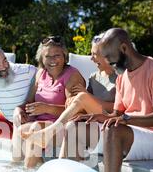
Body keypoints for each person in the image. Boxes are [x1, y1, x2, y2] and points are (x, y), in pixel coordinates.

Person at [63, 28, 153, 172]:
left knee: (113, 130)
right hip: (125, 132)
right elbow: (116, 114)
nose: (109, 64)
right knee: (74, 128)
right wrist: (96, 117)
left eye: (111, 59)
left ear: (124, 49)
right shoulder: (122, 77)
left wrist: (126, 119)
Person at [22, 34, 117, 162]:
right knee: (69, 124)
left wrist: (85, 97)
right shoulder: (94, 77)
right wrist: (76, 101)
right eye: (92, 54)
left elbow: (119, 109)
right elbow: (83, 108)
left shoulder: (121, 77)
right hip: (92, 121)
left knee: (81, 99)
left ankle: (48, 134)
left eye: (95, 54)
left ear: (108, 54)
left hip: (108, 120)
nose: (92, 59)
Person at [14, 36, 86, 168]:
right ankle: (16, 167)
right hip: (40, 124)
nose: (52, 60)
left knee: (35, 128)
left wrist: (47, 108)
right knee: (20, 130)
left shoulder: (72, 76)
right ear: (42, 58)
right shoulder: (40, 74)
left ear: (64, 56)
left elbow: (78, 110)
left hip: (63, 128)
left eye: (57, 55)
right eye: (48, 56)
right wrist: (18, 110)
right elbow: (28, 102)